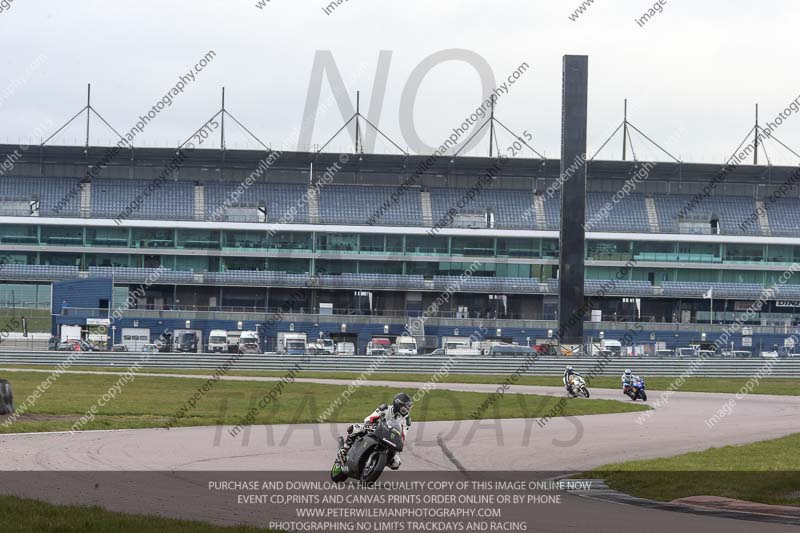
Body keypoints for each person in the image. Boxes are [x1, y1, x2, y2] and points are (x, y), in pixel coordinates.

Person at [339, 392, 412, 470]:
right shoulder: (385, 408)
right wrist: (369, 424)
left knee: (396, 463)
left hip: (390, 439)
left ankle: (375, 465)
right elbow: (370, 418)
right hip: (376, 430)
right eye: (405, 407)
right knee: (356, 428)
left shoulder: (407, 420)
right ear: (398, 404)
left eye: (409, 407)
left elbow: (403, 436)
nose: (407, 410)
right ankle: (344, 449)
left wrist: (399, 446)